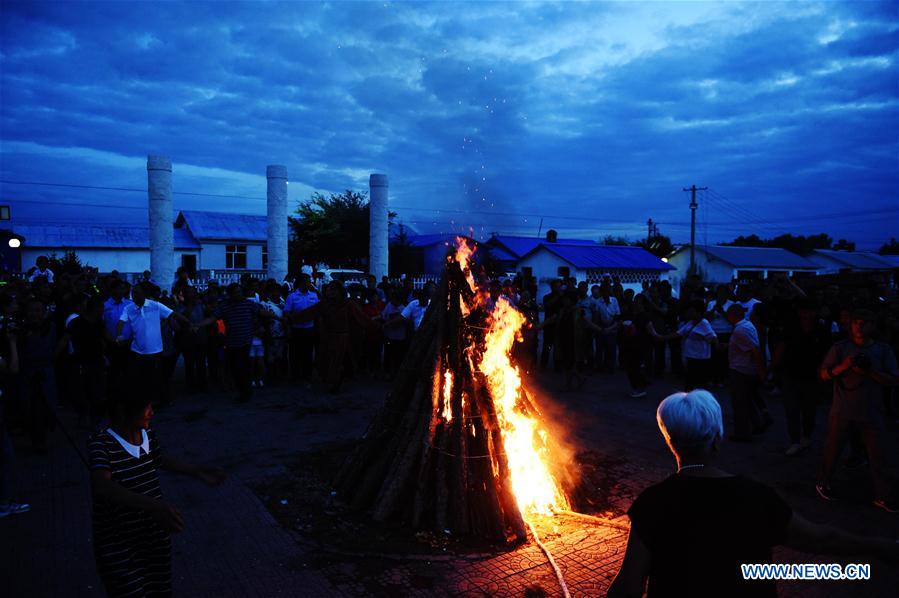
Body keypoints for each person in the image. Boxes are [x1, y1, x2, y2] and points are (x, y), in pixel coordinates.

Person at [608, 390, 899, 598]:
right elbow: (821, 538)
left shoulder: (653, 503)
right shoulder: (756, 497)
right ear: (718, 438)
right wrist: (879, 546)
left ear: (669, 440)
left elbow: (629, 587)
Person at [88, 389, 225, 597]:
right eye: (146, 407)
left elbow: (159, 459)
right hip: (119, 546)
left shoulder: (147, 434)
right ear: (123, 411)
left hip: (154, 540)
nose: (151, 412)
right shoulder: (101, 444)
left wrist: (196, 471)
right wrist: (155, 505)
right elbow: (102, 486)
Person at [817, 309, 899, 512]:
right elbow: (824, 375)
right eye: (856, 322)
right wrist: (843, 367)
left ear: (873, 325)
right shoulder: (840, 349)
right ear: (850, 324)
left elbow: (893, 380)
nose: (860, 327)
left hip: (872, 412)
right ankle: (823, 483)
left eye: (865, 322)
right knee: (832, 451)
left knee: (878, 456)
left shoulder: (883, 350)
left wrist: (870, 371)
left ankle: (883, 495)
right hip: (843, 411)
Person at [770, 298, 829, 456]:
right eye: (804, 311)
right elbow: (781, 348)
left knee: (809, 411)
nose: (807, 315)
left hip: (812, 376)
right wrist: (773, 367)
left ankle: (806, 436)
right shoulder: (791, 328)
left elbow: (826, 353)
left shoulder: (821, 330)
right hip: (790, 374)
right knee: (792, 410)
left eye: (810, 311)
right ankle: (795, 440)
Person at [194, 283, 268, 402]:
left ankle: (246, 392)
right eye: (235, 292)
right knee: (234, 369)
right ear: (230, 294)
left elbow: (262, 312)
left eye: (239, 292)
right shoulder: (224, 306)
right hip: (231, 343)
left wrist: (278, 318)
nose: (238, 294)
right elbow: (212, 318)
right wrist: (198, 325)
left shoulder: (248, 304)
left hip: (245, 342)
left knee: (245, 368)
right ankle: (242, 390)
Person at [116, 283, 189, 393]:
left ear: (144, 294)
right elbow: (121, 322)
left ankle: (158, 401)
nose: (133, 295)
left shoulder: (156, 305)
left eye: (136, 292)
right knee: (139, 379)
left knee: (156, 378)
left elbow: (173, 314)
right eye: (133, 292)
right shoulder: (129, 308)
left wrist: (189, 323)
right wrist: (119, 335)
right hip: (137, 351)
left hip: (155, 351)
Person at [725, 304, 766, 441]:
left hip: (740, 370)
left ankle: (742, 433)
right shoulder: (747, 326)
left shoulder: (740, 330)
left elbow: (755, 350)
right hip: (746, 369)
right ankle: (758, 423)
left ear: (733, 315)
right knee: (747, 400)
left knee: (740, 403)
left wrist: (761, 372)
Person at [674, 300, 717, 391]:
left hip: (700, 359)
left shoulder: (704, 323)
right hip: (691, 357)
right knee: (691, 383)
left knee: (697, 384)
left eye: (691, 311)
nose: (689, 313)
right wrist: (659, 336)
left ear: (698, 312)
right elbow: (678, 333)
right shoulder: (691, 322)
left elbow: (713, 338)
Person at [284, 274, 319, 383]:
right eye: (307, 282)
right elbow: (286, 312)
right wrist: (295, 319)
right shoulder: (292, 296)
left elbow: (317, 310)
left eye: (310, 282)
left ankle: (307, 375)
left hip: (309, 329)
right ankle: (295, 376)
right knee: (295, 354)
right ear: (301, 283)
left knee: (308, 354)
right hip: (296, 329)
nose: (309, 284)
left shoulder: (314, 295)